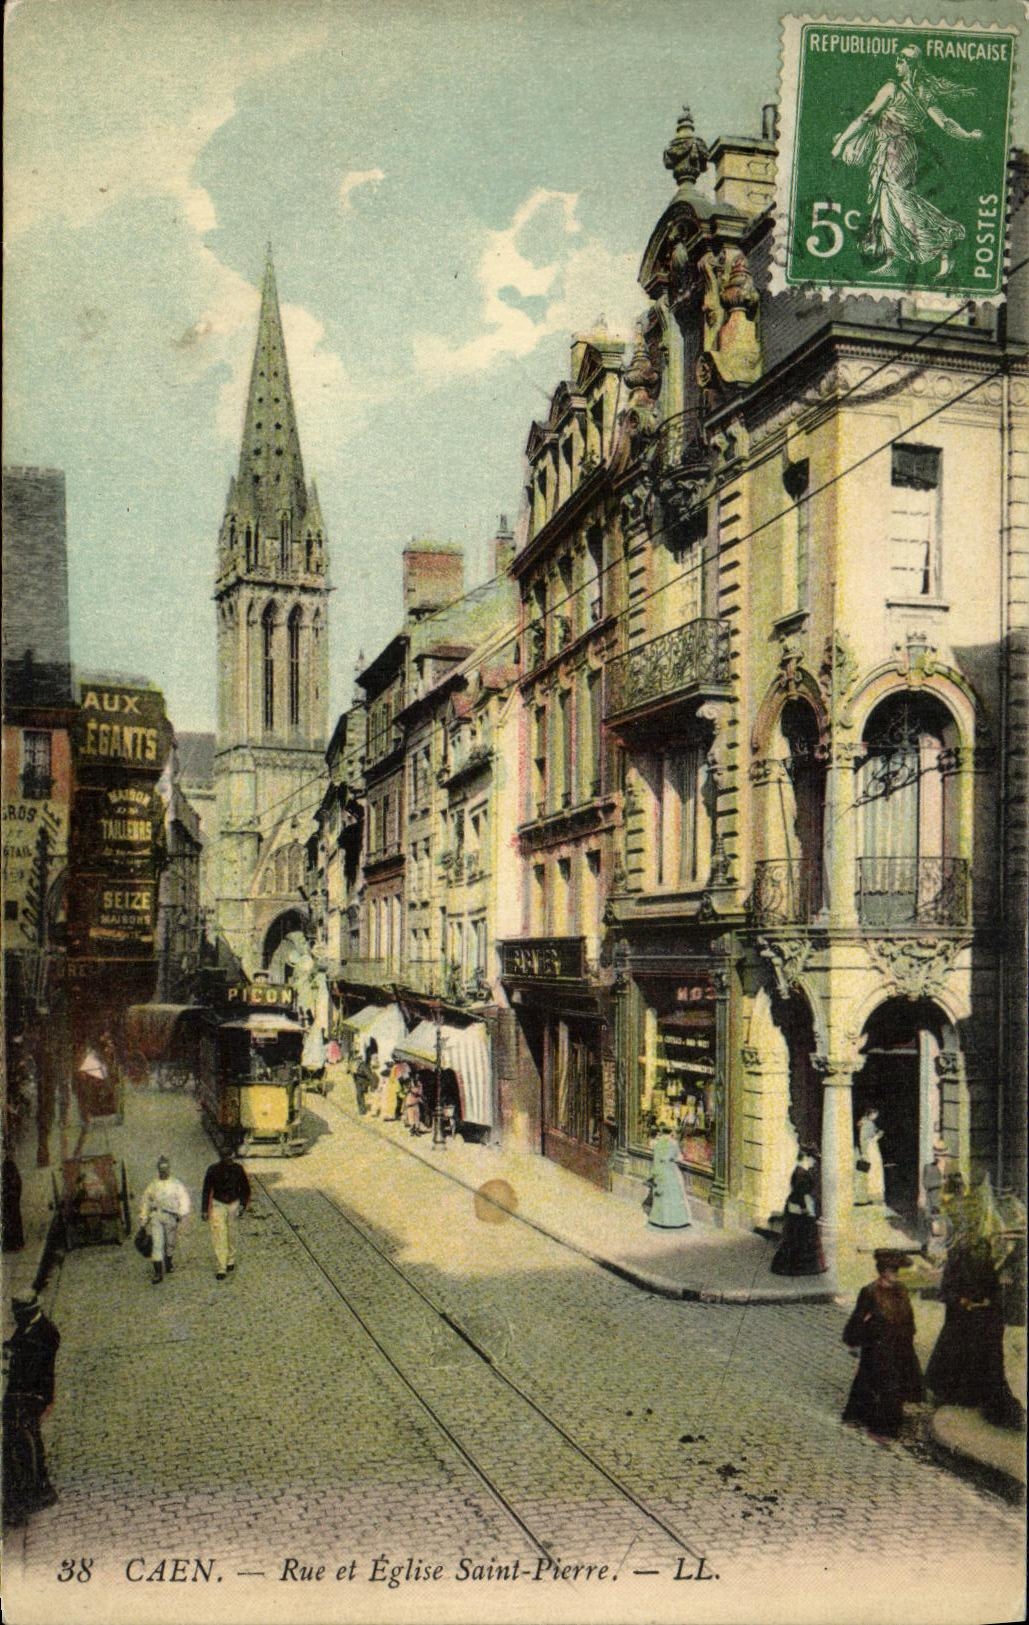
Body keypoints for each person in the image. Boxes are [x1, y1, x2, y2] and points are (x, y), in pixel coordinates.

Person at [830, 44, 983, 280]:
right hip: (898, 150)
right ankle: (898, 258)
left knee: (898, 201)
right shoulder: (923, 93)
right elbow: (946, 123)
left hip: (895, 150)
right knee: (890, 201)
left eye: (901, 60)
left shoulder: (893, 89)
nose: (896, 64)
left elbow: (866, 116)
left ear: (910, 64)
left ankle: (943, 241)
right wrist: (967, 135)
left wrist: (841, 143)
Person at [925, 1210, 1026, 1430]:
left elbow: (993, 1288)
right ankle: (954, 1396)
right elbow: (945, 1292)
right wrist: (962, 1302)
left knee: (986, 1362)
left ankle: (985, 1402)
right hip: (960, 1322)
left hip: (982, 1320)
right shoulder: (957, 1257)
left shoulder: (985, 1256)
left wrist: (990, 1302)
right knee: (956, 1360)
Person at [842, 1249, 923, 1439]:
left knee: (883, 1382)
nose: (895, 1274)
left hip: (900, 1344)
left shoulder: (901, 1290)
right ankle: (883, 1427)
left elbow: (908, 1316)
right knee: (883, 1383)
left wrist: (910, 1336)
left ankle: (867, 1415)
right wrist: (854, 1341)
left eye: (896, 1271)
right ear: (882, 1271)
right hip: (878, 1345)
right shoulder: (870, 1292)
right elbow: (858, 1318)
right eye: (891, 1271)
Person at [2, 1290, 60, 1526]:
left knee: (24, 1443)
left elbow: (32, 1370)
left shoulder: (44, 1333)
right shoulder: (30, 1328)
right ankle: (38, 1486)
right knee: (28, 1441)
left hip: (31, 1396)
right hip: (23, 1394)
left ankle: (28, 1497)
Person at [770, 1146, 827, 1276]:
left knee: (799, 1239)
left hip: (798, 1208)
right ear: (806, 1158)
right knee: (801, 1239)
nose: (814, 1162)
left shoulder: (801, 1171)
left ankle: (802, 1267)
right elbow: (799, 1193)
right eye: (813, 1159)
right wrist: (805, 1209)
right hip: (800, 1209)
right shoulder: (800, 1173)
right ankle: (800, 1268)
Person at [201, 1146, 251, 1282]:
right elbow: (206, 1190)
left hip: (233, 1204)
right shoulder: (213, 1170)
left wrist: (243, 1205)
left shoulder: (238, 1170)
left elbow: (245, 1188)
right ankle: (221, 1266)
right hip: (218, 1204)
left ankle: (231, 1259)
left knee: (232, 1233)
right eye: (226, 1157)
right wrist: (205, 1209)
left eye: (230, 1156)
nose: (229, 1159)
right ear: (221, 1157)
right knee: (219, 1233)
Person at [138, 1156, 191, 1283]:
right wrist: (143, 1220)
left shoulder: (176, 1184)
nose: (164, 1172)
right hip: (156, 1216)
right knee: (157, 1244)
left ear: (169, 1169)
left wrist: (181, 1213)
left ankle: (168, 1260)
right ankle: (157, 1272)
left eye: (166, 1169)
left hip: (171, 1216)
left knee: (170, 1242)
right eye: (161, 1170)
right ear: (158, 1170)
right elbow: (145, 1202)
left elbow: (184, 1199)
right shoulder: (153, 1185)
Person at [646, 1124, 691, 1230]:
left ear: (661, 1132)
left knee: (661, 1196)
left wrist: (655, 1174)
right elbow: (679, 1157)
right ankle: (674, 1221)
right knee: (673, 1195)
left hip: (661, 1171)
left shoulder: (657, 1144)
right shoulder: (673, 1143)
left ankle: (659, 1219)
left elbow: (655, 1160)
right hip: (671, 1171)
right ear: (671, 1132)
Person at [855, 1107, 886, 1206]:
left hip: (871, 1148)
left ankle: (872, 1195)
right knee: (873, 1171)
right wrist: (878, 1136)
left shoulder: (867, 1123)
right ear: (871, 1114)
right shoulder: (867, 1123)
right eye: (875, 1114)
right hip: (870, 1149)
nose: (876, 1116)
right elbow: (865, 1139)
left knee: (873, 1171)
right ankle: (872, 1195)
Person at [2, 1151, 25, 1252]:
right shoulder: (9, 1166)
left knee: (11, 1219)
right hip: (9, 1195)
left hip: (9, 1196)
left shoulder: (8, 1168)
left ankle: (13, 1244)